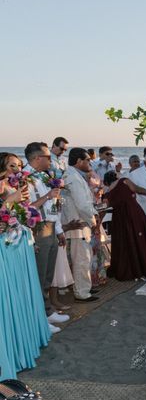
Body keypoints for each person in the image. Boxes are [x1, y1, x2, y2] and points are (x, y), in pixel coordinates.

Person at [0, 160, 51, 377]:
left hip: (17, 247)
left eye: (19, 165)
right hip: (5, 251)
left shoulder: (13, 188)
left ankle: (26, 339)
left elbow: (18, 218)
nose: (18, 170)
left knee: (21, 295)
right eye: (12, 166)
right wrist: (7, 204)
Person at [24, 142, 70, 331]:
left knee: (48, 275)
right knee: (39, 274)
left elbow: (52, 208)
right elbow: (25, 209)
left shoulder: (43, 176)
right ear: (36, 159)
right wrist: (49, 196)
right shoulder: (24, 178)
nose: (51, 160)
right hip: (37, 229)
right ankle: (39, 317)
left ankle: (47, 311)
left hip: (50, 227)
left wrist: (59, 230)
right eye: (47, 157)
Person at [103, 170, 146, 281]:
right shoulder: (124, 181)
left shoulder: (107, 192)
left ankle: (133, 271)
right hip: (134, 214)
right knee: (140, 240)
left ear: (106, 182)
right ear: (116, 176)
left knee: (125, 243)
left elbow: (104, 207)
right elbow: (138, 189)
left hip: (119, 219)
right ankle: (145, 269)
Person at [62, 148, 99, 303]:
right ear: (79, 161)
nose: (89, 162)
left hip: (80, 221)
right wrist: (93, 221)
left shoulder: (75, 175)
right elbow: (82, 204)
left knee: (85, 257)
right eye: (87, 160)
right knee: (81, 259)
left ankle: (85, 286)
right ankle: (82, 292)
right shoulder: (73, 177)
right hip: (79, 222)